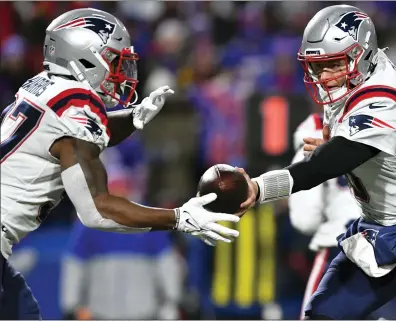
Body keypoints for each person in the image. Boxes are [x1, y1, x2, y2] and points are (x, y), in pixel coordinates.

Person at [235, 4, 396, 320]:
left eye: (333, 64)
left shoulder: (385, 92)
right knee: (322, 315)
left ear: (361, 54)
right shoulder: (359, 77)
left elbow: (330, 163)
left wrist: (260, 186)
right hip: (380, 231)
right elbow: (352, 146)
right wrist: (345, 143)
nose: (324, 77)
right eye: (317, 67)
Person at [0, 8, 239, 320]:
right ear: (85, 58)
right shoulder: (76, 105)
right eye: (114, 59)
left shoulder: (42, 84)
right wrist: (178, 217)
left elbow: (69, 138)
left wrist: (133, 118)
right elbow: (97, 211)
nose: (121, 70)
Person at [289, 113, 396, 320]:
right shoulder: (394, 126)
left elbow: (305, 219)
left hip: (339, 248)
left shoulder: (313, 139)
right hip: (394, 249)